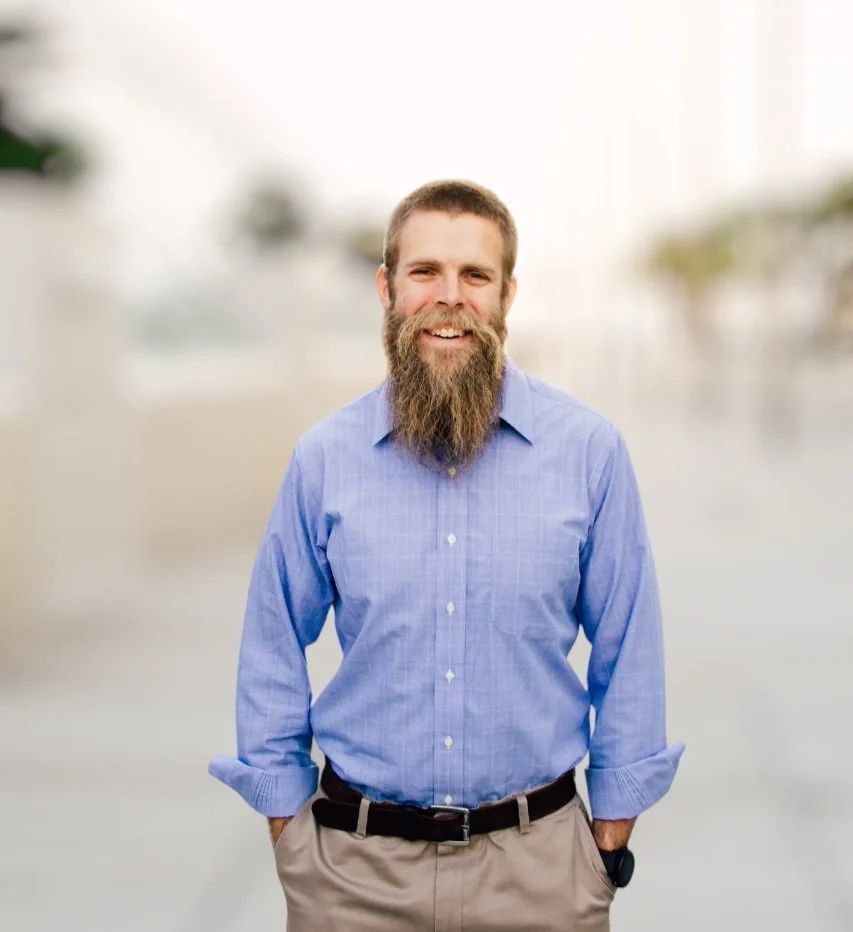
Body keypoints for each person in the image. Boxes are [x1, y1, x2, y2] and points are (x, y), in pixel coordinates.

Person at [209, 179, 684, 931]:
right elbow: (272, 637)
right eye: (425, 271)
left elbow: (628, 641)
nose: (450, 297)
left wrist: (611, 829)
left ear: (507, 295)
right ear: (387, 289)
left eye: (475, 275)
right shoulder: (324, 457)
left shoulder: (588, 452)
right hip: (353, 877)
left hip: (539, 876)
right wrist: (287, 826)